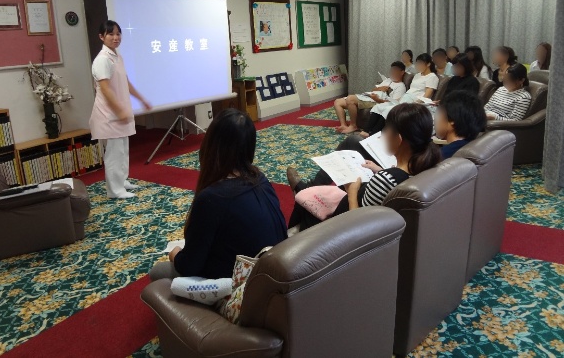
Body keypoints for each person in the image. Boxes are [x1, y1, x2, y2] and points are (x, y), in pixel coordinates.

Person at [149, 109, 287, 281]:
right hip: (272, 270)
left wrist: (175, 254)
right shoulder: (260, 179)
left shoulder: (212, 198)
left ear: (211, 145)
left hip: (240, 283)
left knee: (158, 271)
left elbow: (189, 266)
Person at [288, 104, 441, 231]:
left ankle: (294, 236)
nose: (382, 135)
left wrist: (352, 192)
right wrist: (380, 170)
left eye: (386, 130)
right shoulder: (427, 167)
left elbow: (358, 226)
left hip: (340, 226)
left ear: (399, 139)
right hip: (373, 206)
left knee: (304, 201)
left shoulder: (384, 181)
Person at [89, 20, 151, 199]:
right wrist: (119, 111)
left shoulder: (117, 56)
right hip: (109, 115)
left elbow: (126, 82)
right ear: (101, 37)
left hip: (120, 112)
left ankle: (122, 181)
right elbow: (105, 89)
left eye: (118, 34)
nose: (116, 37)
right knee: (114, 154)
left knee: (123, 151)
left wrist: (141, 99)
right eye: (111, 34)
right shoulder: (102, 59)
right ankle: (115, 190)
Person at [362, 53, 439, 137]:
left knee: (389, 110)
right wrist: (398, 99)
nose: (417, 66)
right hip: (405, 98)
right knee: (379, 106)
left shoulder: (432, 77)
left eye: (420, 63)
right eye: (417, 63)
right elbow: (411, 90)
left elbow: (427, 95)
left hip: (415, 101)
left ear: (428, 64)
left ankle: (373, 134)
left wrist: (415, 103)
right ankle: (366, 130)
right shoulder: (417, 75)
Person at [333, 61, 406, 134]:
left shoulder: (401, 86)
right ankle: (343, 125)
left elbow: (394, 103)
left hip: (375, 101)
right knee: (338, 102)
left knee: (350, 99)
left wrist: (378, 99)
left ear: (402, 72)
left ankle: (353, 126)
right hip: (368, 96)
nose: (392, 73)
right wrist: (380, 88)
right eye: (391, 70)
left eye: (395, 71)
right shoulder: (388, 80)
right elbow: (373, 90)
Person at [435, 91, 487, 159]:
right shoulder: (475, 147)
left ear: (452, 120)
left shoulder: (440, 157)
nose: (436, 120)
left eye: (439, 114)